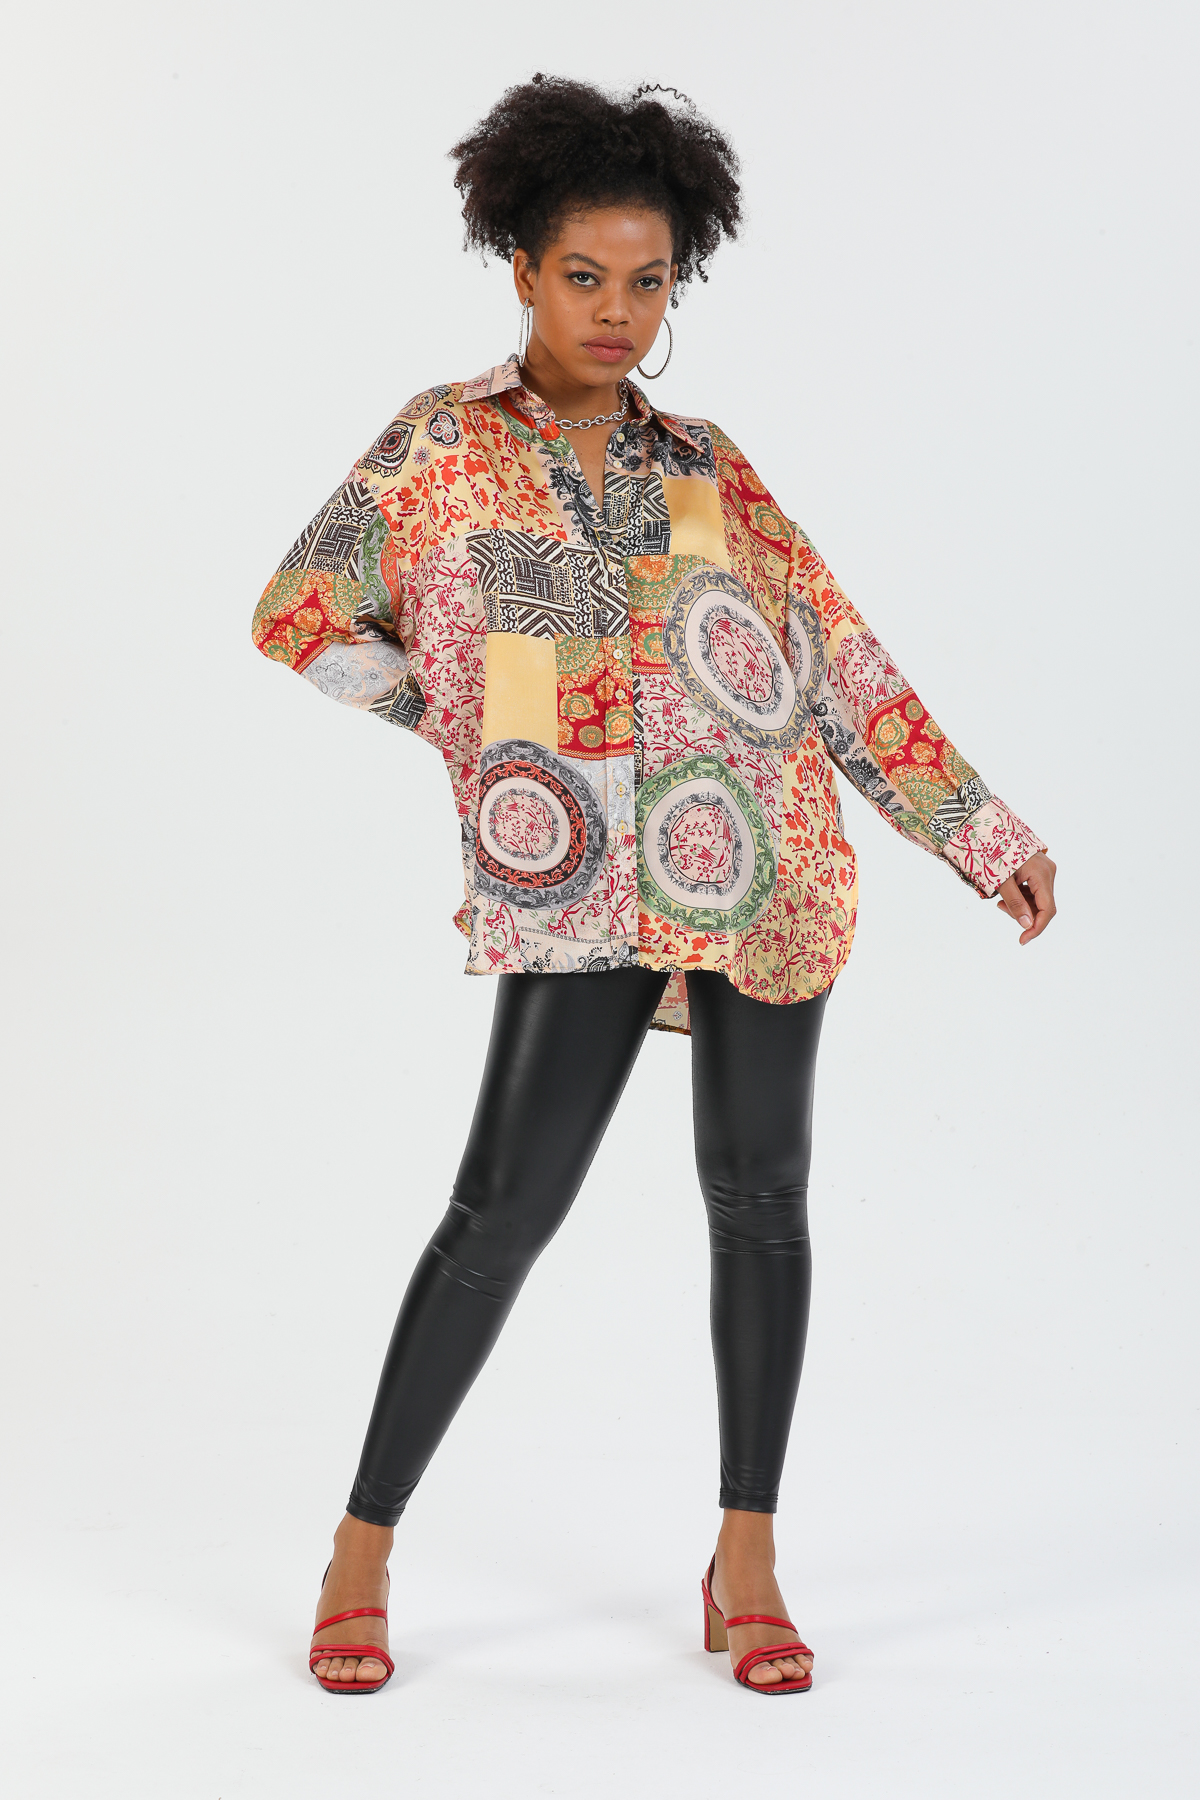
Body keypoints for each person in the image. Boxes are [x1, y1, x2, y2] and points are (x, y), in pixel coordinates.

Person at [251, 75, 1056, 1698]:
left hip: (763, 875)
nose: (618, 311)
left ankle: (745, 1553)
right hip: (570, 891)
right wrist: (479, 733)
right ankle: (361, 1546)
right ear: (521, 267)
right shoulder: (440, 447)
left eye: (648, 280)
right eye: (584, 276)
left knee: (762, 1204)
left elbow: (838, 661)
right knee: (500, 1214)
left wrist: (981, 832)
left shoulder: (710, 468)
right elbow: (298, 614)